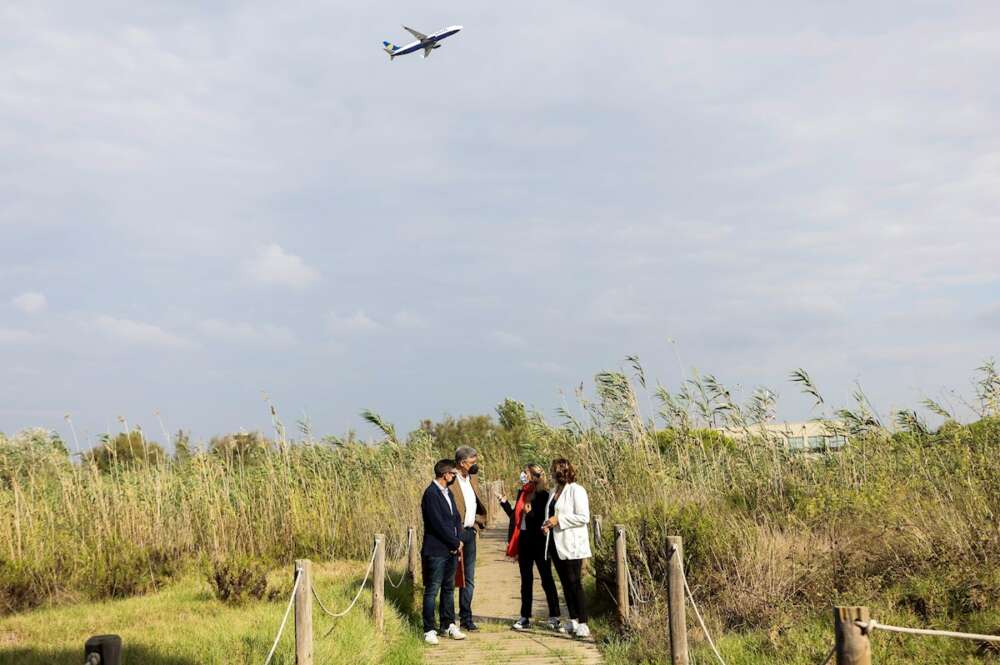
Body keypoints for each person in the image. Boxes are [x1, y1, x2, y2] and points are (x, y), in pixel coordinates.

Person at [500, 463, 561, 631]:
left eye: (526, 473)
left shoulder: (543, 495)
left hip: (540, 541)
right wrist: (504, 504)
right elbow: (515, 517)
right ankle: (524, 616)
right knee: (526, 580)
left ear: (534, 476)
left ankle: (554, 616)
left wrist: (530, 513)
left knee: (546, 579)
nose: (523, 475)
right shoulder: (522, 492)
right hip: (524, 540)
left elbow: (543, 519)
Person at [542, 458, 592, 639]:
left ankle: (584, 622)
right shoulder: (554, 491)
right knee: (564, 582)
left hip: (572, 544)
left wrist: (559, 520)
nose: (552, 474)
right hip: (556, 543)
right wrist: (547, 524)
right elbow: (551, 514)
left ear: (563, 471)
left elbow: (583, 517)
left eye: (554, 470)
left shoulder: (576, 490)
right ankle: (573, 619)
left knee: (574, 582)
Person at [420, 459, 467, 645]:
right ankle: (429, 629)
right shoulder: (431, 494)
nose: (455, 476)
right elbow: (437, 524)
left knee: (448, 588)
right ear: (445, 474)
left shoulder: (448, 493)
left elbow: (455, 516)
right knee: (432, 589)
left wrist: (459, 538)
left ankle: (448, 624)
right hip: (436, 549)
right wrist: (454, 541)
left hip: (451, 549)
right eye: (453, 474)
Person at [451, 445, 488, 632]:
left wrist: (476, 526)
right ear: (461, 463)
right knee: (451, 578)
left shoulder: (472, 477)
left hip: (470, 533)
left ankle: (466, 618)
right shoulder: (451, 480)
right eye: (472, 462)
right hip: (454, 535)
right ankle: (448, 621)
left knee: (469, 578)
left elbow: (476, 502)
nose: (475, 465)